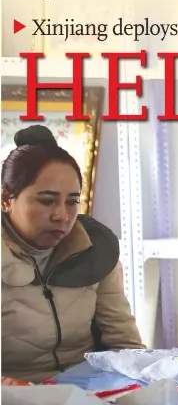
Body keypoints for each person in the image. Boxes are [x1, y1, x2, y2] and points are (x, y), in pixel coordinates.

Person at [1, 125, 145, 383]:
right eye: (47, 201)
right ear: (5, 198)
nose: (62, 215)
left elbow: (125, 346)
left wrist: (143, 386)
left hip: (88, 393)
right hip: (12, 403)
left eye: (72, 201)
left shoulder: (95, 249)